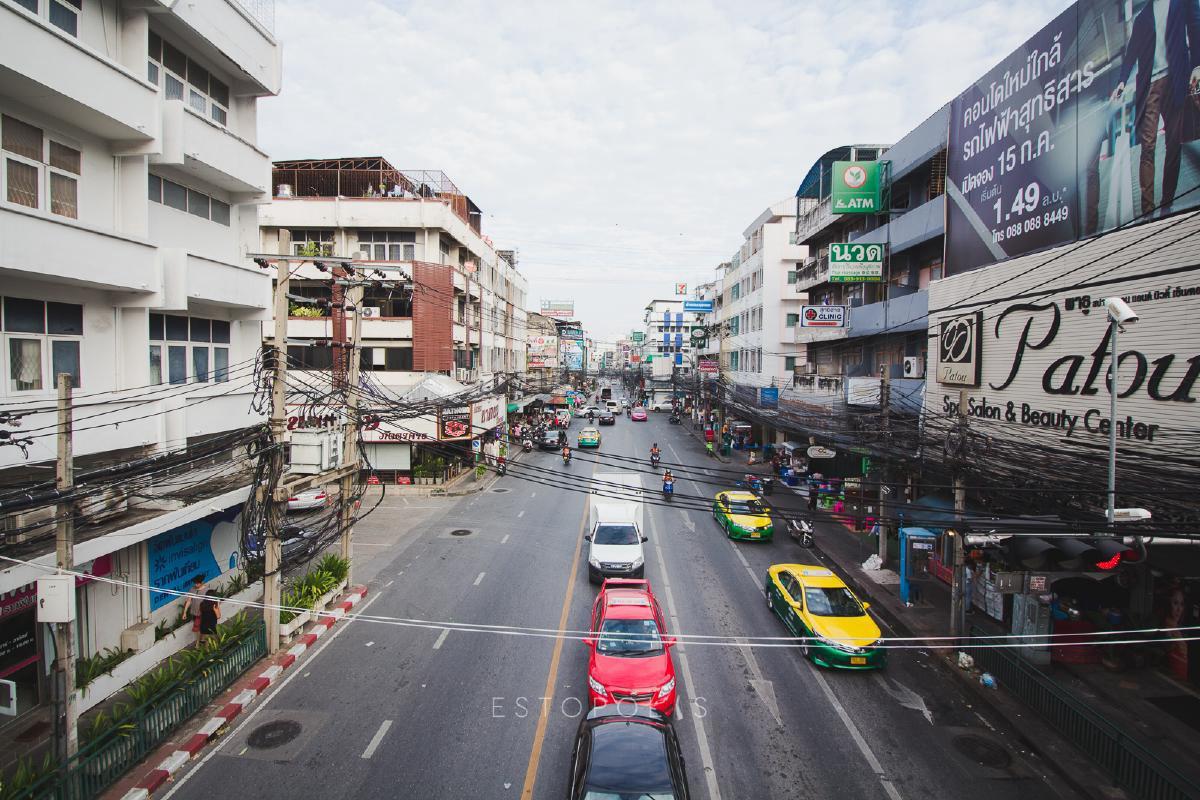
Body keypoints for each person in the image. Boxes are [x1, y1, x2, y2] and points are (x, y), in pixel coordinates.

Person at [1112, 0, 1200, 218]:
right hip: (1150, 85)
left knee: (1173, 143)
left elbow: (1196, 27)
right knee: (1147, 145)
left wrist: (1197, 65)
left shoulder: (1183, 2)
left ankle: (1167, 205)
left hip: (1176, 79)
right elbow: (1131, 53)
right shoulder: (1143, 17)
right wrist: (1122, 81)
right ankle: (1147, 211)